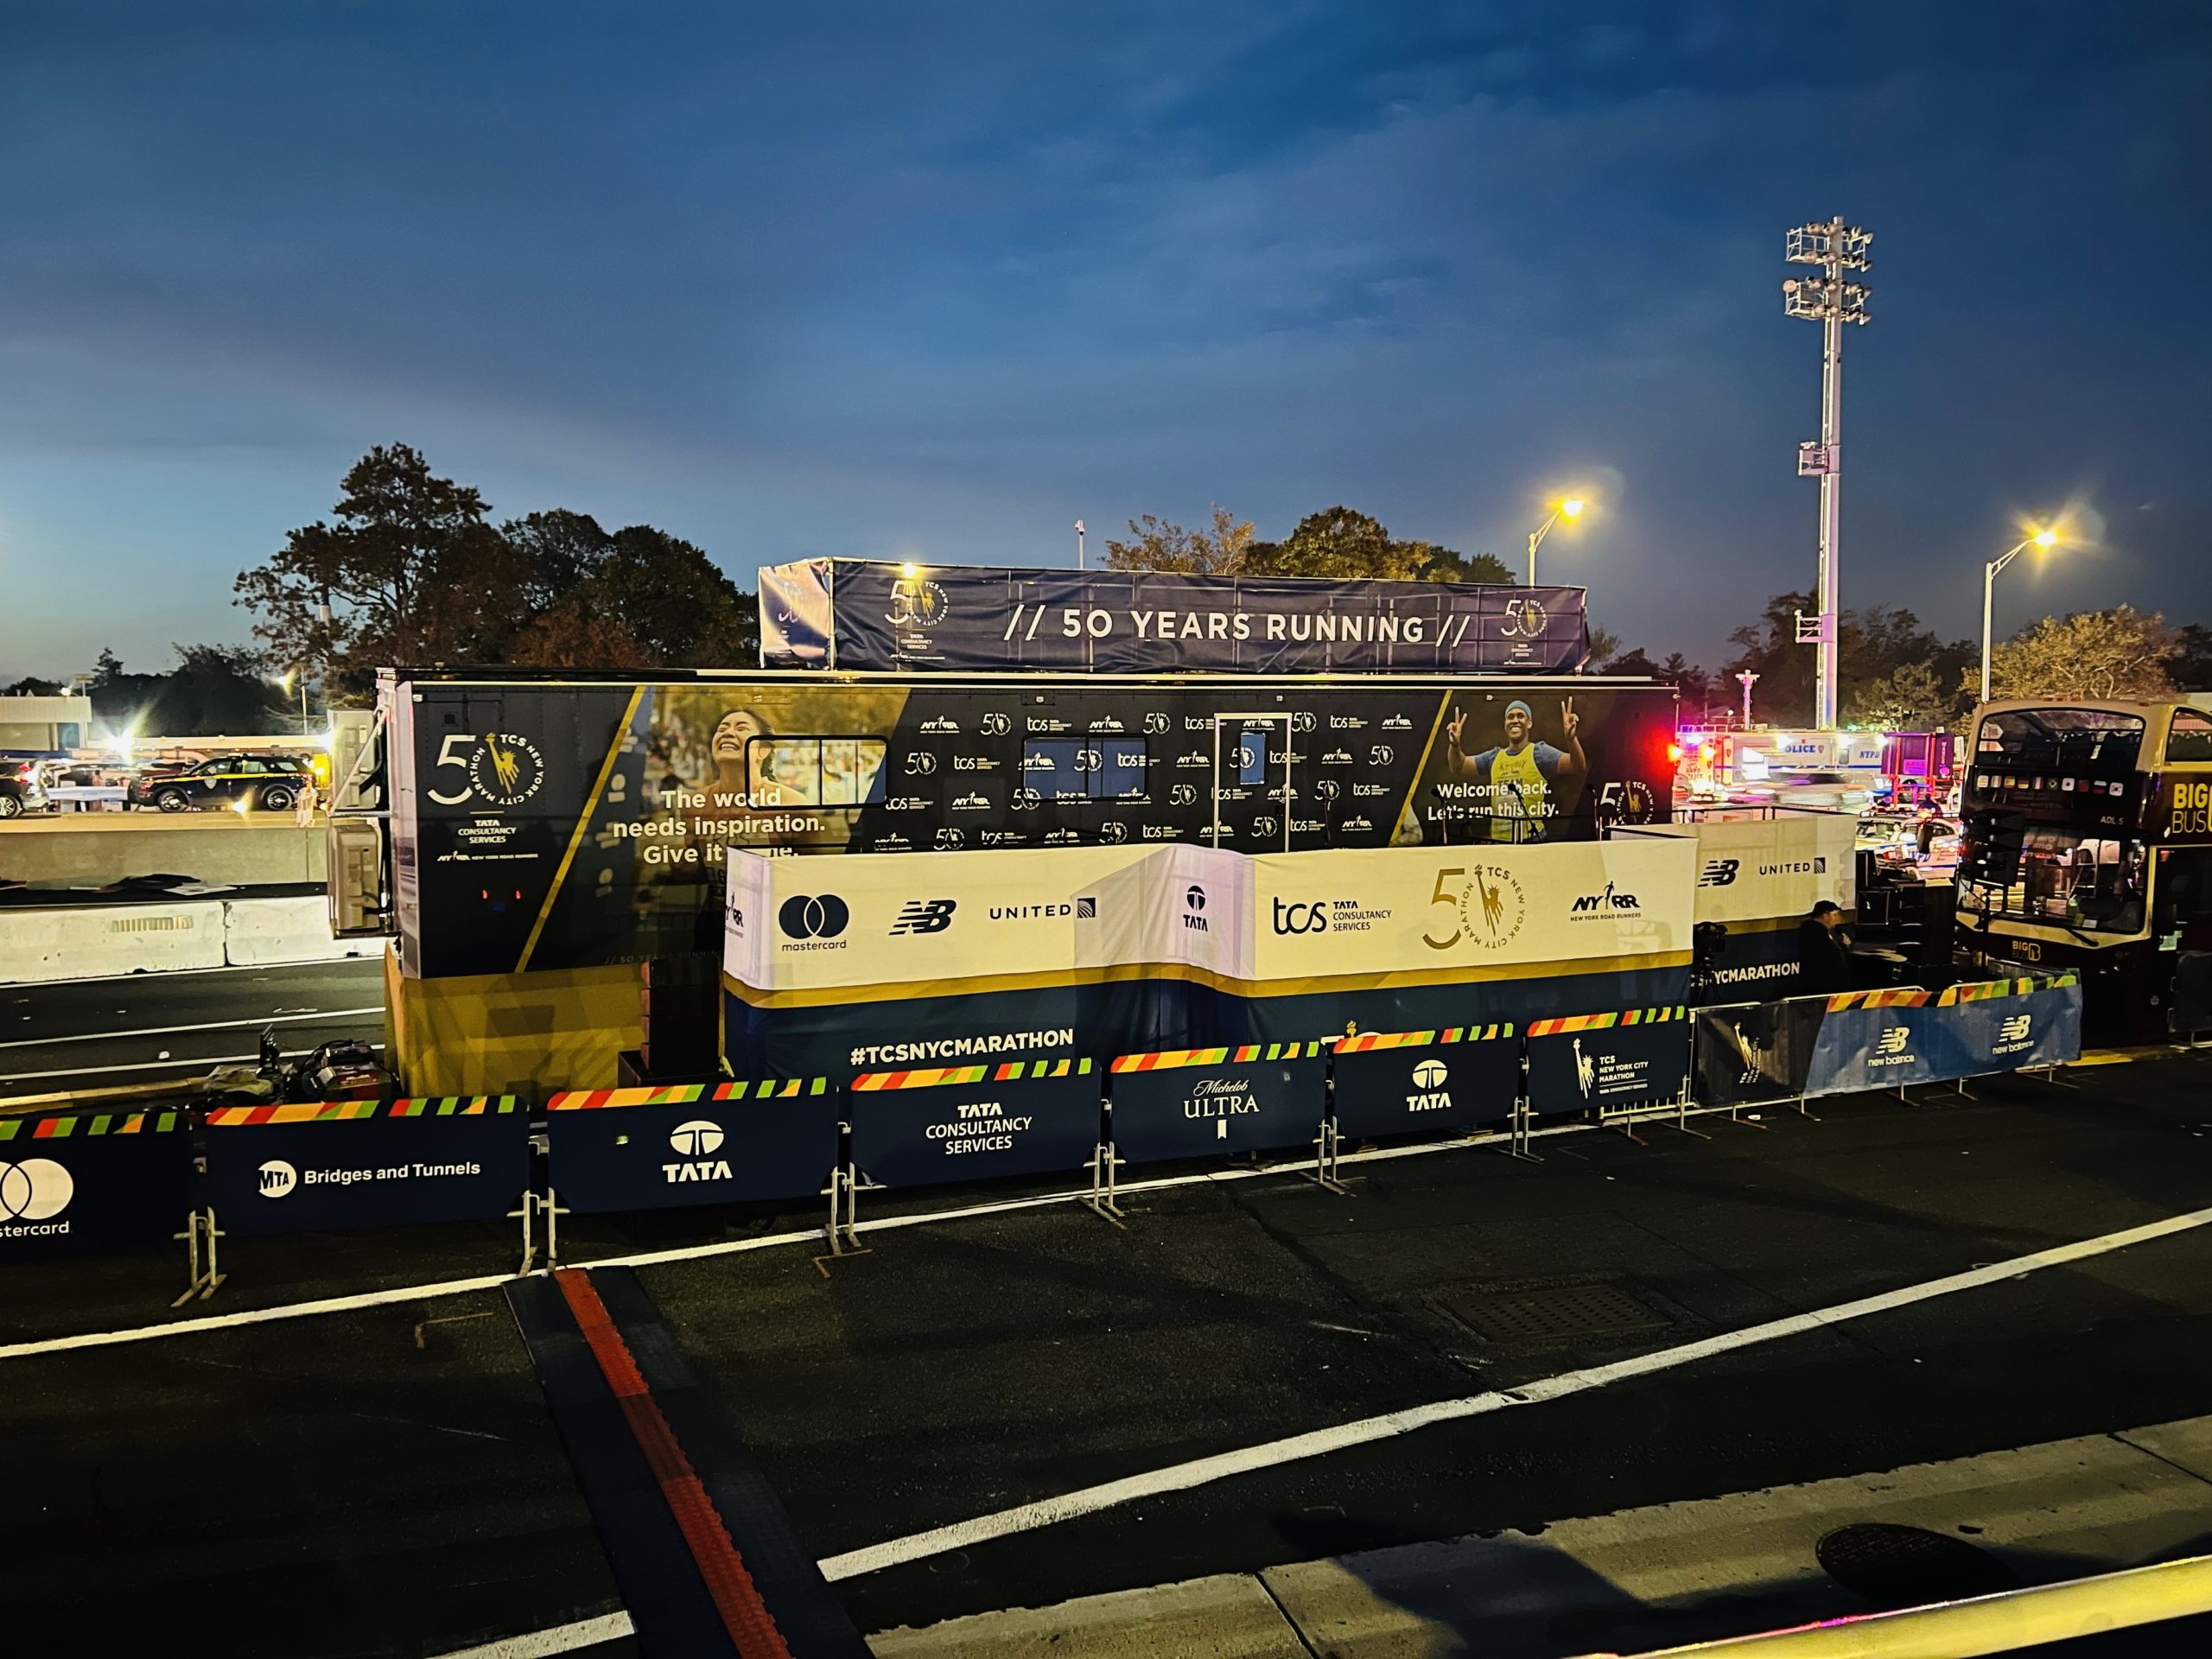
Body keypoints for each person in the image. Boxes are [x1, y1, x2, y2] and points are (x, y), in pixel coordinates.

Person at [1444, 697, 1586, 842]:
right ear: (1505, 724)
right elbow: (1458, 767)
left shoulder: (1540, 753)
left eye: (1520, 716)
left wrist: (1571, 738)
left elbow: (1577, 765)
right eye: (1510, 717)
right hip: (1500, 843)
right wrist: (1455, 745)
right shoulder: (1494, 757)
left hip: (1531, 840)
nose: (1515, 720)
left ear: (1529, 723)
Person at [1796, 899, 1854, 994]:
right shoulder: (1813, 932)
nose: (1836, 919)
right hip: (1822, 988)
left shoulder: (1826, 932)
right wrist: (1842, 947)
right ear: (1825, 915)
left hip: (1831, 987)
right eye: (1834, 915)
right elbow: (1828, 955)